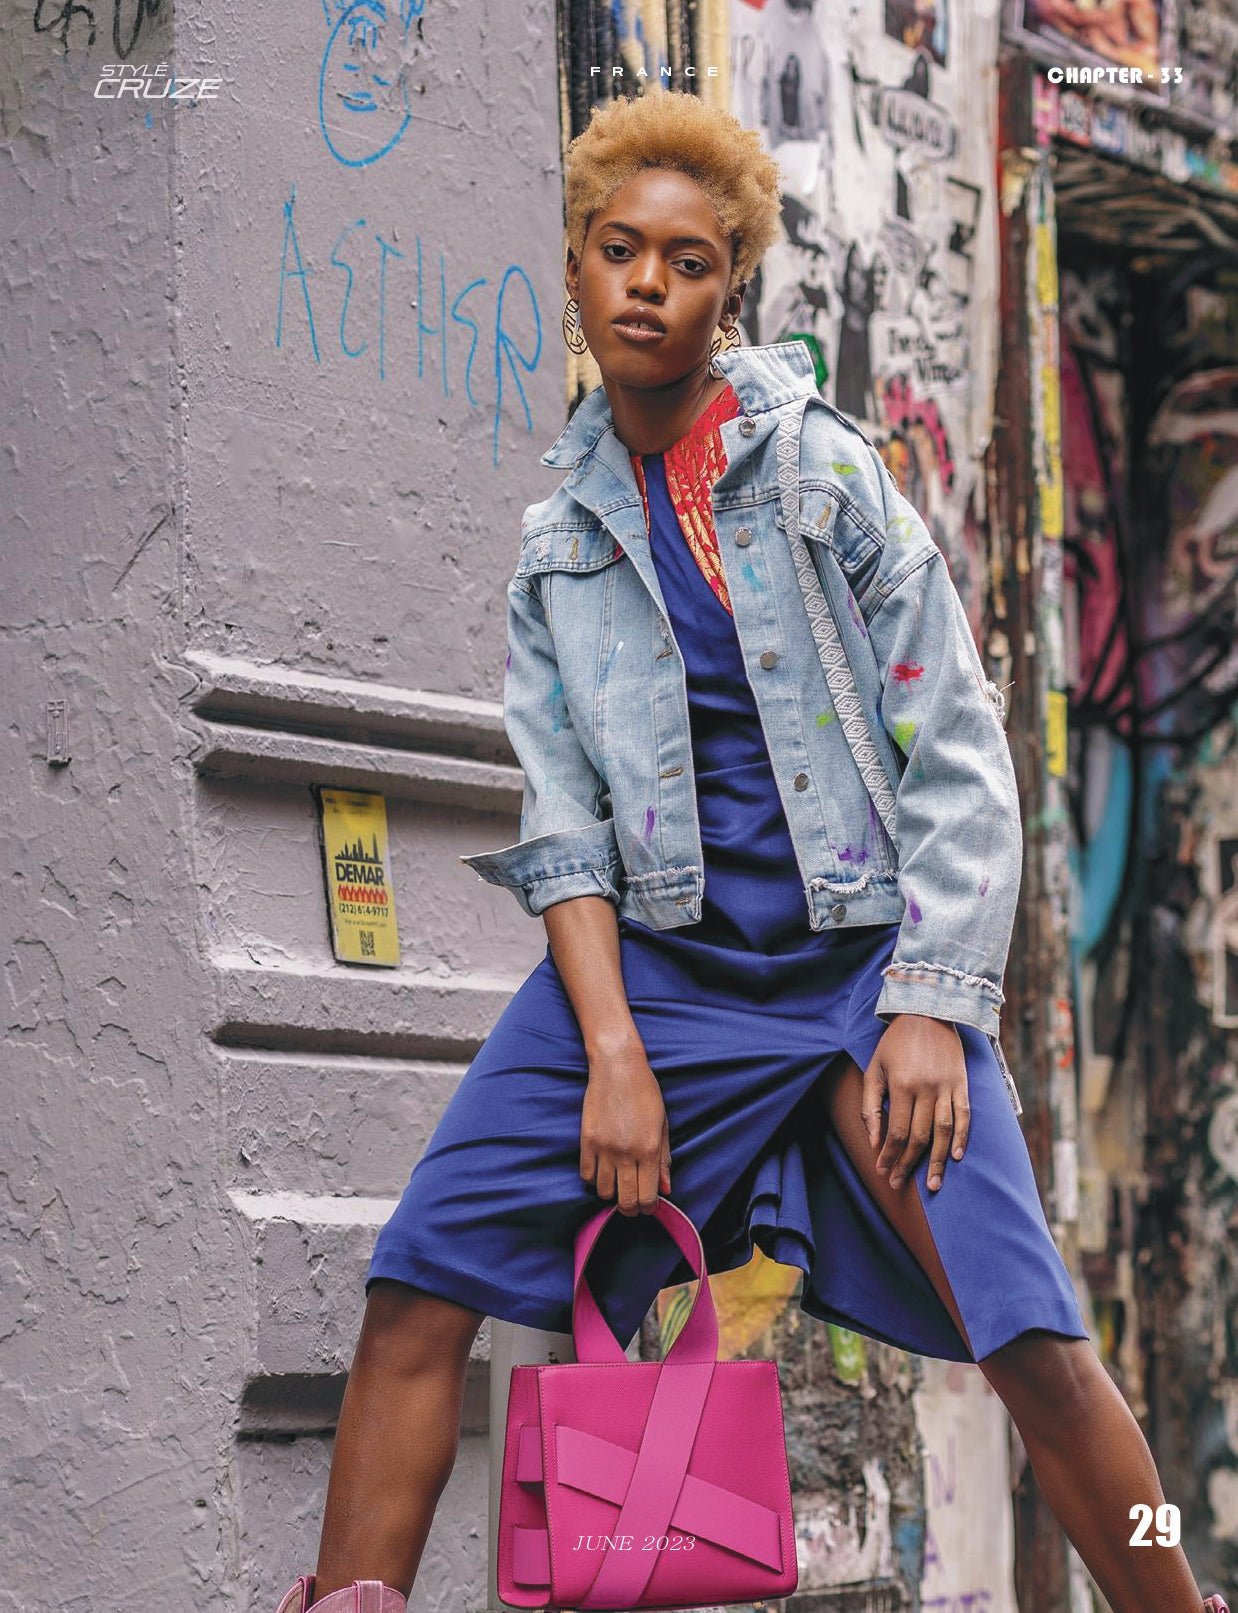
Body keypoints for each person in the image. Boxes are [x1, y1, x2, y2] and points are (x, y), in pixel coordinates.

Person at [274, 91, 1230, 1613]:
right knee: (417, 1285)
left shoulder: (821, 477)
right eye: (616, 251)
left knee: (1030, 1342)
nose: (647, 283)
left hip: (860, 967)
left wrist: (930, 999)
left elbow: (957, 744)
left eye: (687, 259)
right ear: (576, 269)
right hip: (658, 970)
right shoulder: (559, 544)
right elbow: (564, 824)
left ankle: (1180, 1595)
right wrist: (610, 1049)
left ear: (731, 285)